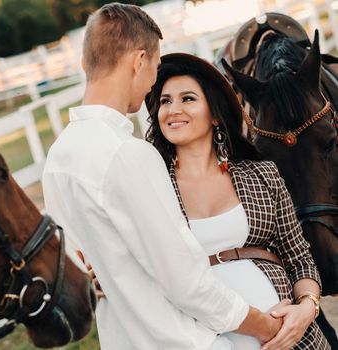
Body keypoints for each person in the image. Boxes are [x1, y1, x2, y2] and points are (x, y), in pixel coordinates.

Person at [42, 3, 284, 349]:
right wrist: (262, 325)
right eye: (155, 67)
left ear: (85, 64)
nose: (152, 83)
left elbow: (82, 274)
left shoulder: (58, 159)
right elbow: (186, 281)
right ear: (139, 61)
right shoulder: (129, 153)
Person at [143, 52, 329, 349]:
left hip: (291, 339)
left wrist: (306, 309)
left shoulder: (261, 175)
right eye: (165, 101)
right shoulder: (152, 189)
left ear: (215, 114)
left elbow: (299, 258)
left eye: (187, 99)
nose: (173, 109)